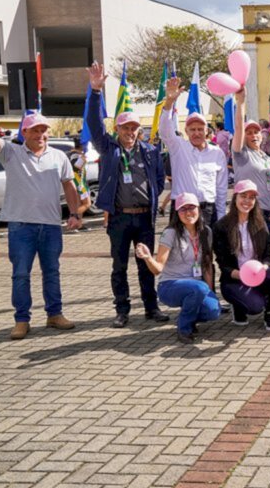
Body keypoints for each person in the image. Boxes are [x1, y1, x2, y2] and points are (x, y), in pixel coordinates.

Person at [0, 93, 81, 340]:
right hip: (21, 227)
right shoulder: (11, 153)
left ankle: (54, 314)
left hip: (51, 225)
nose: (41, 135)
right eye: (35, 130)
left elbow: (69, 186)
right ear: (24, 133)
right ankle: (22, 320)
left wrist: (75, 213)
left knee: (52, 272)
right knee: (21, 274)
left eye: (44, 130)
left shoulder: (59, 156)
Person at [86, 64, 169, 328]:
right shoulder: (108, 148)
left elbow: (157, 181)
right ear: (118, 129)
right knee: (119, 267)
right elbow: (93, 124)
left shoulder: (150, 151)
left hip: (145, 219)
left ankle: (151, 308)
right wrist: (96, 91)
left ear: (138, 130)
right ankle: (122, 310)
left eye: (133, 128)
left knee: (146, 264)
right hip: (120, 218)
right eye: (125, 128)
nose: (129, 132)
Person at [135, 193, 221, 344]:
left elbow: (207, 265)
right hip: (170, 285)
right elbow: (158, 269)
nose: (188, 213)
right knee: (199, 288)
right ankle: (184, 328)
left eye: (192, 207)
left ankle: (188, 314)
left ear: (199, 209)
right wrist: (148, 258)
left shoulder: (206, 231)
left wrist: (211, 292)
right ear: (177, 213)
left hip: (196, 286)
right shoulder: (171, 233)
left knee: (213, 311)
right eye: (183, 209)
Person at [214, 180, 270, 331]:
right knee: (255, 307)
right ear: (235, 198)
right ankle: (239, 306)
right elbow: (223, 264)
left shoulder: (261, 223)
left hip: (257, 275)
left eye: (251, 197)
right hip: (235, 279)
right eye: (243, 196)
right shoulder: (222, 226)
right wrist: (241, 275)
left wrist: (264, 267)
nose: (247, 201)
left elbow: (268, 256)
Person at [159, 78, 228, 225]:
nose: (196, 133)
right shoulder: (178, 147)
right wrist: (169, 102)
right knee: (181, 248)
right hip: (182, 209)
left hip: (208, 210)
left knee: (207, 247)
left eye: (200, 129)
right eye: (192, 129)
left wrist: (221, 216)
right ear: (186, 131)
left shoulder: (217, 153)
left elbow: (221, 188)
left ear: (207, 131)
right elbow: (165, 131)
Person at [230, 88, 270, 233]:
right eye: (249, 132)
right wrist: (241, 102)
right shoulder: (242, 154)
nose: (254, 135)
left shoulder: (267, 157)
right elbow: (239, 127)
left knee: (266, 253)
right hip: (251, 212)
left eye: (256, 132)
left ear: (262, 135)